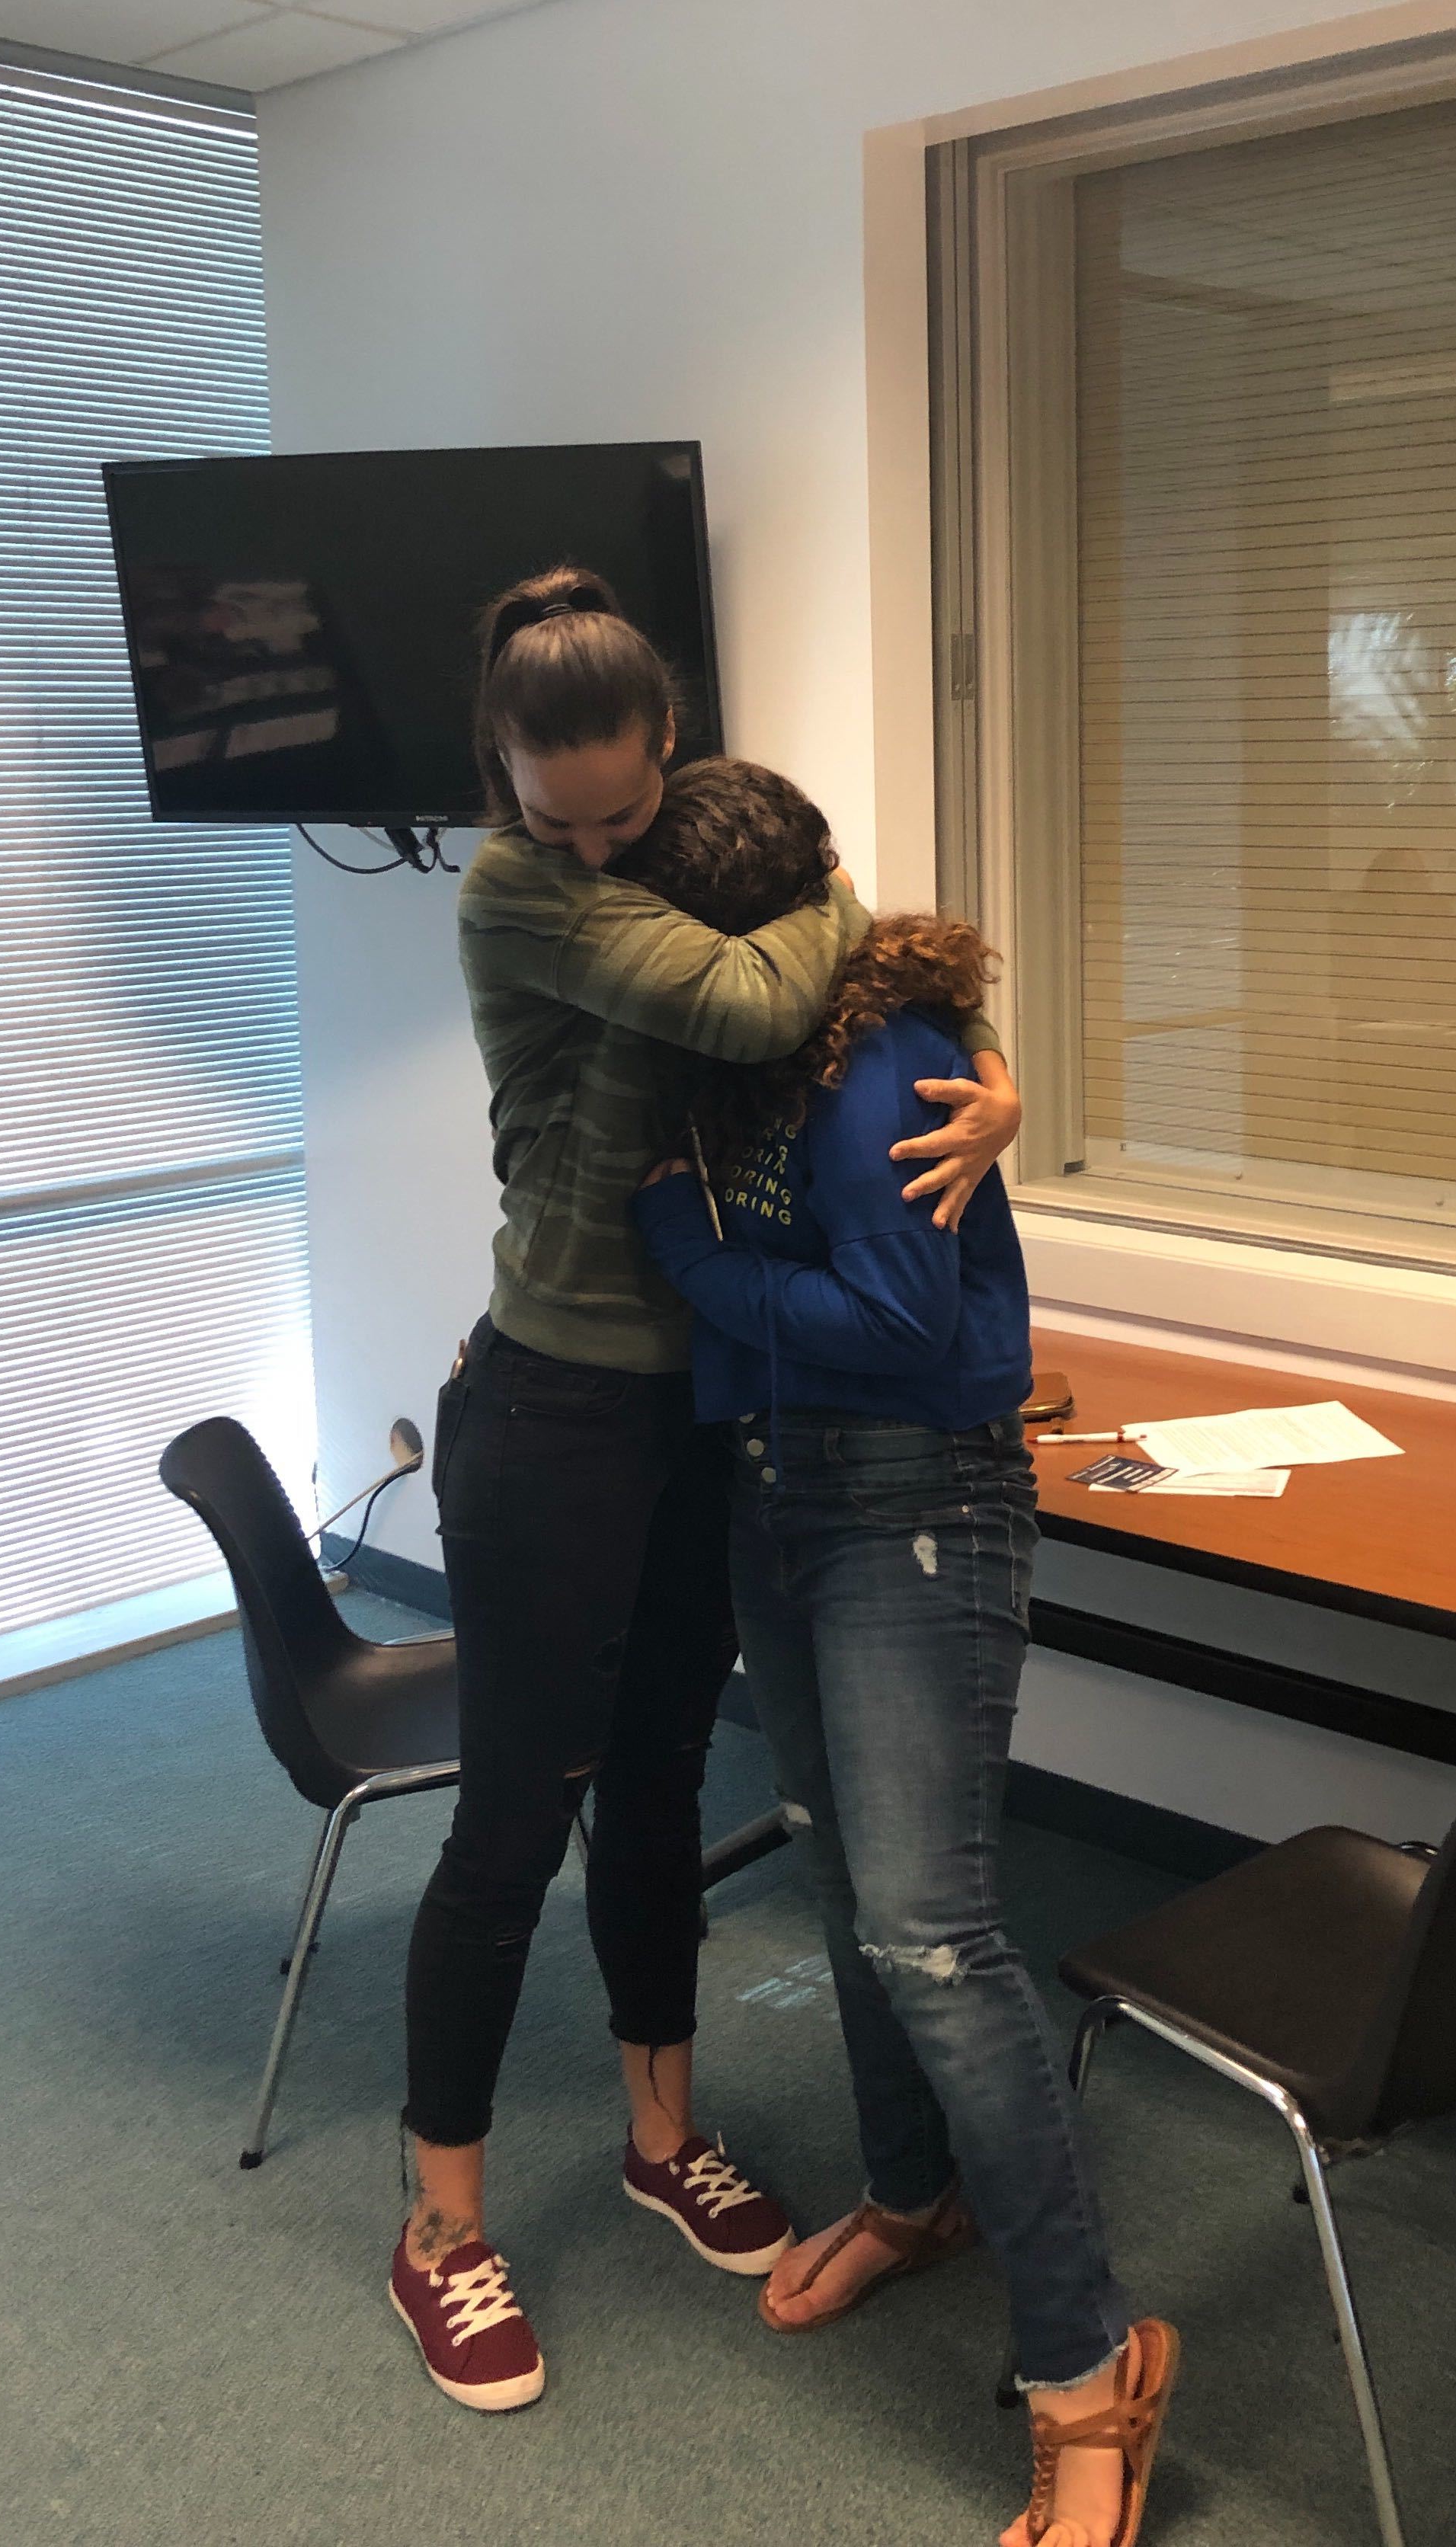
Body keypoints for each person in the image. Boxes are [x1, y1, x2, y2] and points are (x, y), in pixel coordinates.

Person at [390, 572, 1022, 2415]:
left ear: (670, 749)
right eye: (547, 807)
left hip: (694, 1414)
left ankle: (661, 2137)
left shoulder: (680, 855)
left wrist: (995, 1074)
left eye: (620, 813)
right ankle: (443, 2230)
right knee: (518, 1815)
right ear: (500, 773)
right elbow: (767, 1010)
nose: (586, 846)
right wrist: (834, 879)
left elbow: (860, 1023)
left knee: (662, 1782)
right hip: (551, 1405)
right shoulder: (520, 888)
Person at [630, 758, 1179, 2547]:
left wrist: (688, 1255)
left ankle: (1092, 2376)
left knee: (933, 1937)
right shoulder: (709, 1048)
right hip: (771, 1489)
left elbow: (892, 1313)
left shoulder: (888, 1060)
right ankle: (912, 2193)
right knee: (839, 1862)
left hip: (909, 1499)